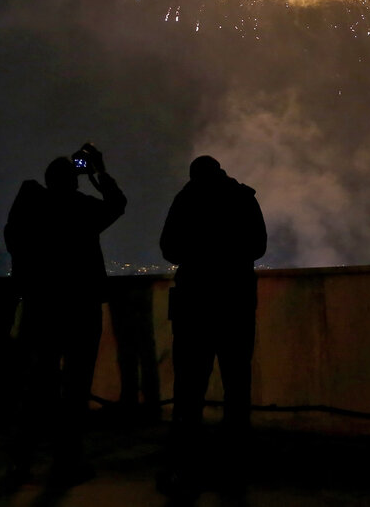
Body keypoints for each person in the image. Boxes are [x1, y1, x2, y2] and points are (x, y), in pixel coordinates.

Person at [3, 143, 126, 487]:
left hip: (41, 308)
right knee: (75, 388)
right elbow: (117, 204)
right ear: (73, 181)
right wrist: (98, 171)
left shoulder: (29, 209)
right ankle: (66, 461)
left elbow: (15, 239)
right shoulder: (81, 208)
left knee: (37, 385)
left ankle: (21, 460)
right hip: (80, 309)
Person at [158, 155, 266, 493]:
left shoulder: (186, 199)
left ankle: (186, 460)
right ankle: (235, 459)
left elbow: (169, 249)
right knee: (237, 382)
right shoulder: (243, 198)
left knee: (189, 386)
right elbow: (258, 246)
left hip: (194, 305)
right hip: (235, 303)